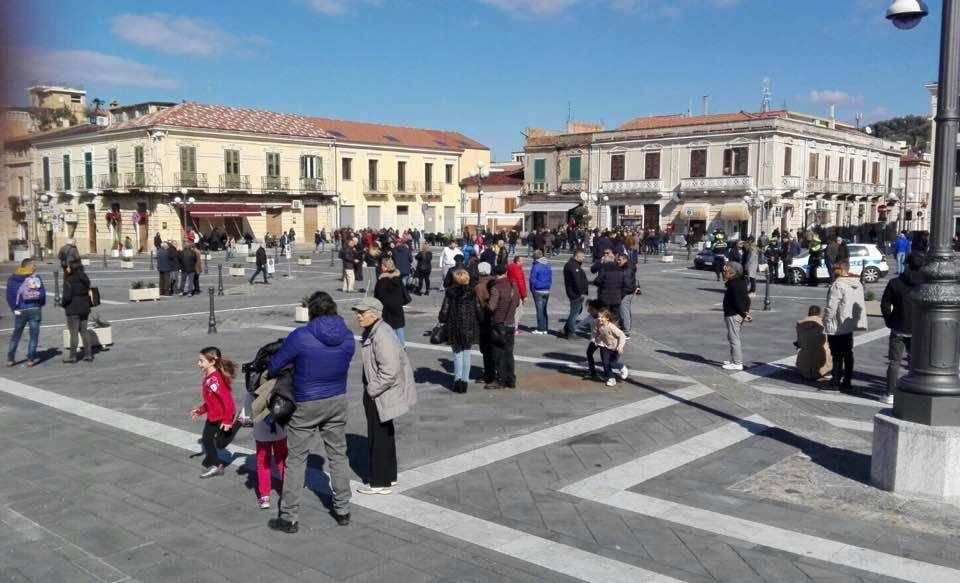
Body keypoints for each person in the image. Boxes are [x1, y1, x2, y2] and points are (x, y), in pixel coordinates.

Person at [267, 291, 355, 533]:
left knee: (296, 459)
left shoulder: (301, 336)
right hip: (337, 398)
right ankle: (343, 509)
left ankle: (289, 517)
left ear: (311, 312)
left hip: (306, 401)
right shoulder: (348, 336)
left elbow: (274, 366)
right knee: (338, 455)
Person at [353, 297, 417, 495]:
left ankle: (379, 482)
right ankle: (389, 476)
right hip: (381, 392)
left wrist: (372, 389)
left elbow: (389, 370)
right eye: (358, 312)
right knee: (385, 434)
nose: (358, 316)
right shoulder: (378, 330)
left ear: (374, 314)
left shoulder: (380, 334)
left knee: (378, 436)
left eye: (362, 313)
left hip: (380, 393)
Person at [880, 252, 923, 405]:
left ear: (906, 264)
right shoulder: (925, 284)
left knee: (894, 362)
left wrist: (889, 320)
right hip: (919, 328)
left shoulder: (895, 282)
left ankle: (890, 393)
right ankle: (913, 390)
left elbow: (885, 304)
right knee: (915, 362)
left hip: (899, 325)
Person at [189, 347, 237, 479]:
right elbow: (211, 401)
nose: (198, 363)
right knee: (207, 440)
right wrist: (200, 410)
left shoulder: (216, 380)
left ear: (212, 362)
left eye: (201, 361)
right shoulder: (209, 377)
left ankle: (238, 423)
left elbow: (228, 401)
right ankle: (216, 465)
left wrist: (227, 420)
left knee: (218, 443)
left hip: (222, 416)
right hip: (213, 415)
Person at [823, 261, 867, 392]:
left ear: (842, 270)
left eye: (835, 268)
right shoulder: (857, 283)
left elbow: (832, 306)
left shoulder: (838, 284)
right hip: (849, 323)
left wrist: (826, 320)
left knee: (837, 354)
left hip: (837, 324)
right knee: (848, 353)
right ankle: (847, 381)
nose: (833, 270)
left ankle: (836, 380)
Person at [239, 388, 287, 509]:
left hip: (261, 430)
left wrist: (246, 417)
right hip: (280, 428)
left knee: (263, 463)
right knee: (282, 460)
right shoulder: (281, 381)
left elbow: (248, 411)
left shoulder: (253, 386)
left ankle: (265, 496)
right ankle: (288, 491)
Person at [439, 269, 478, 393]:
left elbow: (444, 311)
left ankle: (457, 381)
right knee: (467, 355)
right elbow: (478, 309)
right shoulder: (472, 292)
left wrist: (441, 319)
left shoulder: (450, 292)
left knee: (457, 355)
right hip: (469, 327)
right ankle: (464, 382)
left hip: (454, 327)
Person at [6, 259, 46, 367]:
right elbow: (42, 294)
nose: (35, 267)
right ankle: (31, 359)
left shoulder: (12, 279)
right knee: (33, 336)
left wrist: (14, 309)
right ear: (27, 266)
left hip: (20, 310)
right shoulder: (36, 278)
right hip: (35, 309)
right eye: (33, 265)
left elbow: (9, 296)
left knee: (16, 335)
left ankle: (10, 358)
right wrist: (40, 304)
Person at [487, 264, 520, 389]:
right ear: (505, 273)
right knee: (509, 353)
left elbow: (491, 307)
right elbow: (517, 303)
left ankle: (500, 379)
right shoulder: (513, 286)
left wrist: (485, 305)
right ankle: (510, 379)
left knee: (499, 353)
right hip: (511, 323)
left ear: (495, 274)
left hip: (499, 324)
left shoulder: (496, 288)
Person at [585, 308, 628, 387]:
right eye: (599, 317)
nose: (599, 318)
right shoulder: (598, 324)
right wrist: (596, 340)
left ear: (607, 318)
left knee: (611, 364)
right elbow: (597, 333)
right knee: (605, 363)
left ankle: (622, 367)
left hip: (615, 348)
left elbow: (622, 335)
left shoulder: (611, 327)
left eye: (602, 317)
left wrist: (620, 346)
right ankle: (611, 379)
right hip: (605, 346)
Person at [721, 261, 751, 371]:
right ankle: (734, 359)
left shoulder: (735, 285)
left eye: (727, 269)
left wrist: (744, 314)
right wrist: (746, 312)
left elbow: (738, 302)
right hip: (734, 314)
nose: (724, 271)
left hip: (733, 314)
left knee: (734, 338)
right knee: (732, 337)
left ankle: (737, 363)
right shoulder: (739, 281)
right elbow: (747, 299)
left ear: (733, 272)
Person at [61, 261, 94, 363]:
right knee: (84, 331)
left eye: (68, 267)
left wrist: (63, 304)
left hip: (72, 309)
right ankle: (88, 354)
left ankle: (73, 356)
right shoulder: (85, 278)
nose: (67, 269)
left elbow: (67, 297)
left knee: (74, 333)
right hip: (84, 308)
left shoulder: (69, 279)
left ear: (72, 268)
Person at [374, 258, 407, 346]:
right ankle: (402, 345)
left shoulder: (383, 279)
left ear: (385, 267)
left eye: (382, 265)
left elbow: (379, 294)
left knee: (387, 326)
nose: (381, 266)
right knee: (399, 326)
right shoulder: (398, 276)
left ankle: (390, 345)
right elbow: (403, 291)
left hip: (386, 306)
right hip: (397, 305)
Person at [795, 305, 832, 381]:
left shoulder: (800, 324)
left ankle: (805, 367)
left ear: (809, 313)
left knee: (802, 348)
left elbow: (799, 343)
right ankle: (827, 371)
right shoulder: (824, 323)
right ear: (819, 313)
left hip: (804, 369)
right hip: (822, 365)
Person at [474, 262, 496, 384]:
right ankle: (495, 371)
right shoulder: (495, 282)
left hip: (484, 320)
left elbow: (479, 305)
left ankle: (489, 374)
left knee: (486, 349)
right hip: (497, 319)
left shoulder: (479, 286)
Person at [561, 249, 588, 339]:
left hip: (574, 292)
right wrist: (581, 292)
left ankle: (566, 329)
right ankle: (571, 332)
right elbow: (577, 281)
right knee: (574, 313)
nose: (584, 258)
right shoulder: (573, 266)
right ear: (577, 256)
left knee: (577, 310)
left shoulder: (574, 265)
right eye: (582, 256)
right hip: (575, 293)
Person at [529, 250, 552, 335]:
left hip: (538, 290)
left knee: (539, 310)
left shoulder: (536, 266)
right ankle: (545, 328)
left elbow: (532, 279)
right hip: (546, 289)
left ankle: (540, 328)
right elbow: (550, 277)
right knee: (544, 309)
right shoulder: (548, 264)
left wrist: (533, 288)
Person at [616, 253, 638, 337]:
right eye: (617, 259)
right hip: (629, 292)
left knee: (624, 311)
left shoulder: (627, 270)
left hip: (626, 293)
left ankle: (626, 332)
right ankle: (625, 328)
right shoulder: (627, 266)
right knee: (625, 310)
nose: (618, 261)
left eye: (619, 260)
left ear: (625, 260)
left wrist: (621, 295)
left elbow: (627, 285)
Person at [507, 255, 528, 334]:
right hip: (518, 292)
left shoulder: (511, 266)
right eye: (522, 261)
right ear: (517, 261)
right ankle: (515, 328)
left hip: (512, 290)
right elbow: (520, 282)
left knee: (515, 310)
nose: (523, 262)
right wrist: (524, 295)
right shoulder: (517, 269)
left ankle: (514, 327)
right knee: (518, 311)